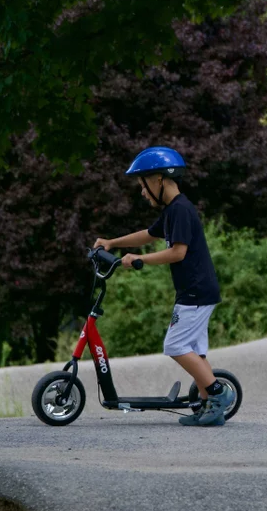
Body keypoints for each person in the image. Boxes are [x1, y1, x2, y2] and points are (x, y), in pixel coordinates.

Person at [94, 146, 233, 427]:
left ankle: (217, 393)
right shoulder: (173, 210)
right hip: (197, 290)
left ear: (159, 179)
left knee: (175, 345)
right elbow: (148, 234)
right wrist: (113, 242)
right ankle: (209, 407)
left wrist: (138, 260)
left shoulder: (180, 209)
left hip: (195, 292)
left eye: (143, 184)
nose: (142, 191)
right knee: (194, 349)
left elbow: (178, 252)